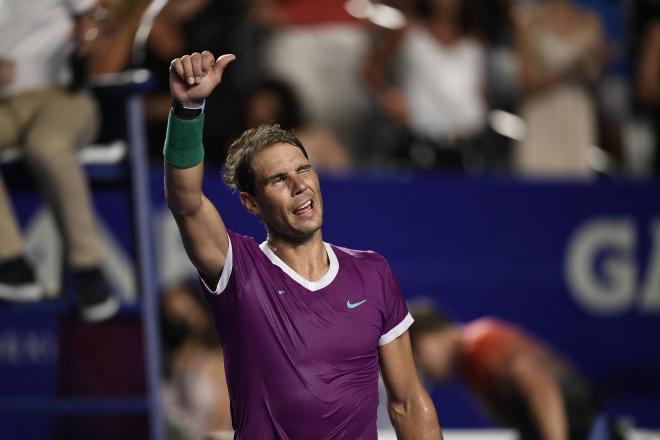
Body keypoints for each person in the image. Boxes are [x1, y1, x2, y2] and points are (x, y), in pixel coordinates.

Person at [163, 50, 443, 438]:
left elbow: (408, 402)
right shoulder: (238, 270)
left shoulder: (373, 272)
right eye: (278, 179)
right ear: (251, 202)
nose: (299, 186)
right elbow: (186, 202)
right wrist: (188, 110)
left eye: (303, 169)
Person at [0, 0, 118, 321]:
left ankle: (88, 268)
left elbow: (102, 11)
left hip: (61, 95)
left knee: (47, 146)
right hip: (5, 106)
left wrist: (93, 29)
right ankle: (12, 264)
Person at [409, 306, 598, 440]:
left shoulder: (479, 344)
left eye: (415, 357)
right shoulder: (471, 364)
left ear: (423, 343)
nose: (422, 370)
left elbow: (542, 389)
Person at [364, 0, 486, 170]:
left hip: (466, 145)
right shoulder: (409, 32)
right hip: (421, 143)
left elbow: (478, 88)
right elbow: (372, 71)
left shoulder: (474, 39)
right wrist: (389, 97)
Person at [514, 0, 605, 177]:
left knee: (578, 189)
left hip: (577, 113)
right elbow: (526, 82)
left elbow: (596, 77)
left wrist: (600, 60)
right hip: (541, 113)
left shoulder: (590, 21)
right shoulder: (528, 22)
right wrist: (569, 67)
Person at [161, 282, 231, 439]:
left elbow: (223, 416)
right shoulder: (161, 367)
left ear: (200, 315)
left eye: (185, 312)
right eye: (171, 314)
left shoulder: (217, 360)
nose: (177, 321)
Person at [243, 78, 351, 173]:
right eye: (254, 106)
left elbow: (343, 175)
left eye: (265, 104)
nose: (259, 112)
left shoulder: (315, 137)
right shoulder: (245, 148)